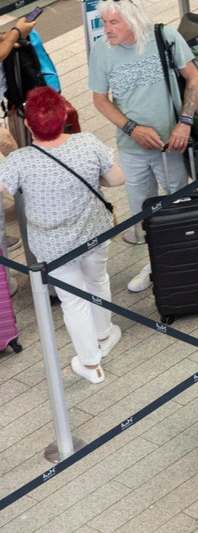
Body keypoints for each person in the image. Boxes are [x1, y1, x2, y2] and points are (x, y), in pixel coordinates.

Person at [0, 87, 125, 384]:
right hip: (94, 232)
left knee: (73, 301)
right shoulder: (86, 143)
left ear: (29, 125)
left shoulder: (20, 160)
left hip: (52, 246)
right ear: (63, 117)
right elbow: (117, 178)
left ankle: (91, 364)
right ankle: (104, 334)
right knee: (98, 279)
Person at [89, 0, 198, 294]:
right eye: (103, 22)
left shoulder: (163, 36)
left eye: (113, 22)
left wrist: (185, 122)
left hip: (171, 146)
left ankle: (191, 262)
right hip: (132, 150)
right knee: (145, 213)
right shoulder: (101, 51)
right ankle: (156, 265)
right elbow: (100, 100)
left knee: (179, 203)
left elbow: (193, 77)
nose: (106, 29)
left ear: (133, 20)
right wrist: (131, 128)